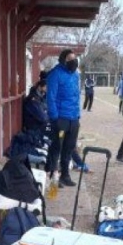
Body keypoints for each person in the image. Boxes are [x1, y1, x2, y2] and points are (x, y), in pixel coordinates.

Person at [46, 49, 81, 188]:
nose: (73, 61)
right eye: (70, 59)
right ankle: (54, 177)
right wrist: (55, 117)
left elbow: (77, 96)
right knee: (56, 148)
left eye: (75, 58)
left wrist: (78, 115)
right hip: (61, 119)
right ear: (63, 60)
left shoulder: (76, 75)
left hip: (73, 119)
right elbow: (51, 97)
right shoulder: (55, 74)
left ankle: (65, 175)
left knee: (69, 148)